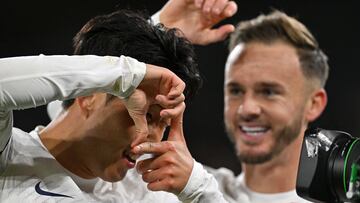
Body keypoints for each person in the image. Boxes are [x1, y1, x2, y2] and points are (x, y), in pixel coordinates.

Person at [0, 9, 231, 202]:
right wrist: (128, 74)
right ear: (87, 94)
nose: (153, 139)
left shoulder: (147, 193)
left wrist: (199, 189)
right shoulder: (9, 157)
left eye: (165, 123)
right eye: (146, 116)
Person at [137, 1, 329, 202]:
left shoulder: (194, 187)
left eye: (269, 92)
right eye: (236, 91)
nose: (247, 109)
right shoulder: (179, 189)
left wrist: (197, 191)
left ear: (313, 104)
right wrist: (156, 31)